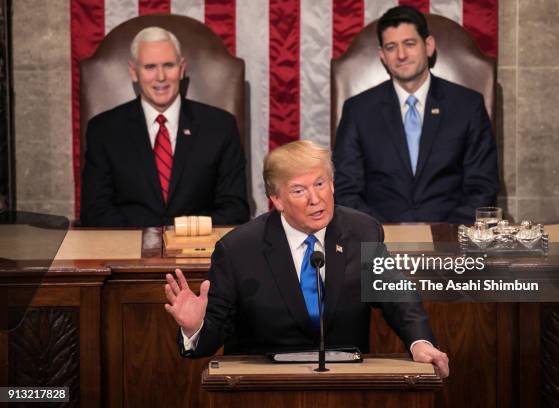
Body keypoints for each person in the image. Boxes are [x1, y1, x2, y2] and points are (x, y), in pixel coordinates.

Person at [163, 140, 449, 378]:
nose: (315, 199)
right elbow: (211, 335)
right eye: (299, 191)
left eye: (320, 183)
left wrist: (419, 341)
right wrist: (194, 328)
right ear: (276, 200)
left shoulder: (362, 232)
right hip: (264, 389)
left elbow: (396, 296)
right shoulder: (239, 249)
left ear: (333, 184)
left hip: (346, 385)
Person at [333, 5, 499, 225]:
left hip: (452, 240)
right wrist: (382, 232)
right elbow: (346, 191)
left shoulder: (468, 105)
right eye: (391, 47)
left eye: (409, 44)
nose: (401, 55)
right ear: (383, 56)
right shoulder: (358, 110)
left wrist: (443, 234)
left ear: (428, 46)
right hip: (378, 240)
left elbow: (483, 186)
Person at [81, 27, 249, 227]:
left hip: (198, 251)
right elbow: (95, 212)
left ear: (182, 68)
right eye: (150, 67)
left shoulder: (220, 126)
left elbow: (235, 209)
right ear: (133, 72)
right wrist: (150, 236)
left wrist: (179, 232)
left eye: (168, 65)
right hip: (128, 251)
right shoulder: (104, 130)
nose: (160, 77)